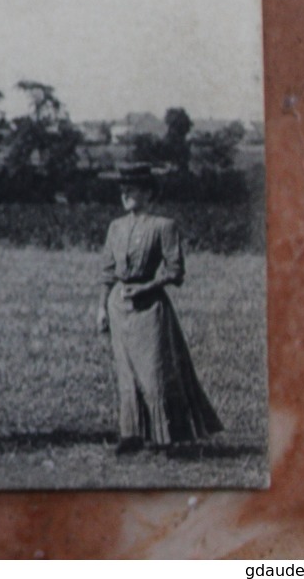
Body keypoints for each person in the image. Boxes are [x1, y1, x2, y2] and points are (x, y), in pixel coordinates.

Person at [96, 163, 223, 454]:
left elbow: (175, 272)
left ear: (149, 192)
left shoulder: (164, 226)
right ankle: (132, 434)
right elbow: (107, 271)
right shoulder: (115, 227)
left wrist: (146, 288)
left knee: (154, 371)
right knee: (125, 371)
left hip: (150, 307)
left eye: (133, 188)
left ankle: (170, 438)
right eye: (122, 188)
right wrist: (102, 307)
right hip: (119, 306)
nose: (125, 193)